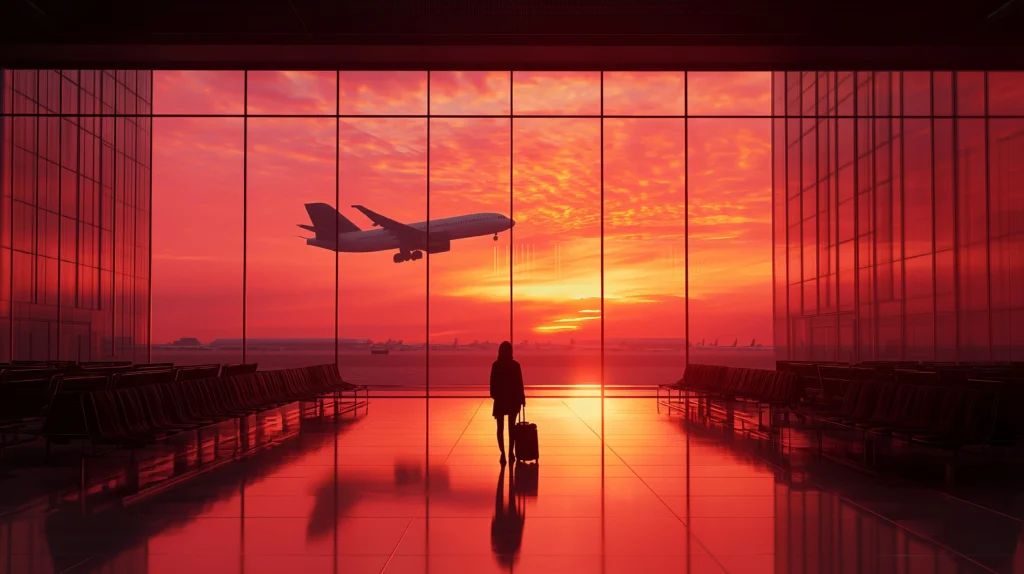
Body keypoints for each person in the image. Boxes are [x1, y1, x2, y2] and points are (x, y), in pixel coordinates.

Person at [490, 341, 525, 465]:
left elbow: (492, 383)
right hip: (513, 400)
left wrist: (495, 396)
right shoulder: (515, 365)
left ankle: (503, 453)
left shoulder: (496, 365)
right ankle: (511, 452)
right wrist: (522, 399)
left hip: (500, 400)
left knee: (500, 428)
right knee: (512, 428)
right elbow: (520, 384)